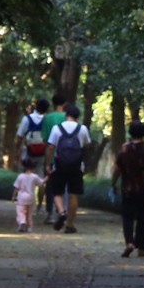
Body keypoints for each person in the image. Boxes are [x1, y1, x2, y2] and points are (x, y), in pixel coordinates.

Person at [114, 119, 144, 258]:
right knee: (142, 218)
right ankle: (141, 248)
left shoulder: (124, 148)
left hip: (127, 189)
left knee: (128, 217)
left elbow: (117, 168)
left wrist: (113, 183)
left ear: (130, 132)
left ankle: (129, 243)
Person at [45, 102, 91, 234]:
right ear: (77, 116)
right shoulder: (82, 129)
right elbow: (87, 144)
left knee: (57, 191)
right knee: (73, 194)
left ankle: (61, 211)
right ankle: (70, 224)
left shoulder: (57, 128)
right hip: (76, 166)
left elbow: (50, 147)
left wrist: (48, 163)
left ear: (66, 115)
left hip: (60, 165)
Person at [36, 94, 67, 223]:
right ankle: (62, 211)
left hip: (52, 155)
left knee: (50, 185)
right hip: (66, 156)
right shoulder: (68, 117)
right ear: (64, 103)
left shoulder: (47, 118)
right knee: (64, 185)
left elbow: (44, 140)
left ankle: (50, 214)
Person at [15, 98, 50, 173]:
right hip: (42, 152)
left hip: (28, 152)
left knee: (25, 173)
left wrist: (17, 151)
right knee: (39, 174)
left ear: (36, 106)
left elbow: (19, 137)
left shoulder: (27, 118)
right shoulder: (47, 120)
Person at [12, 165, 43, 232]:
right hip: (31, 197)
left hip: (21, 197)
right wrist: (48, 176)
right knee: (29, 213)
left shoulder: (20, 176)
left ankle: (22, 222)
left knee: (20, 211)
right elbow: (41, 183)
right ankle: (29, 227)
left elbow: (16, 188)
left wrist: (13, 196)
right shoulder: (34, 176)